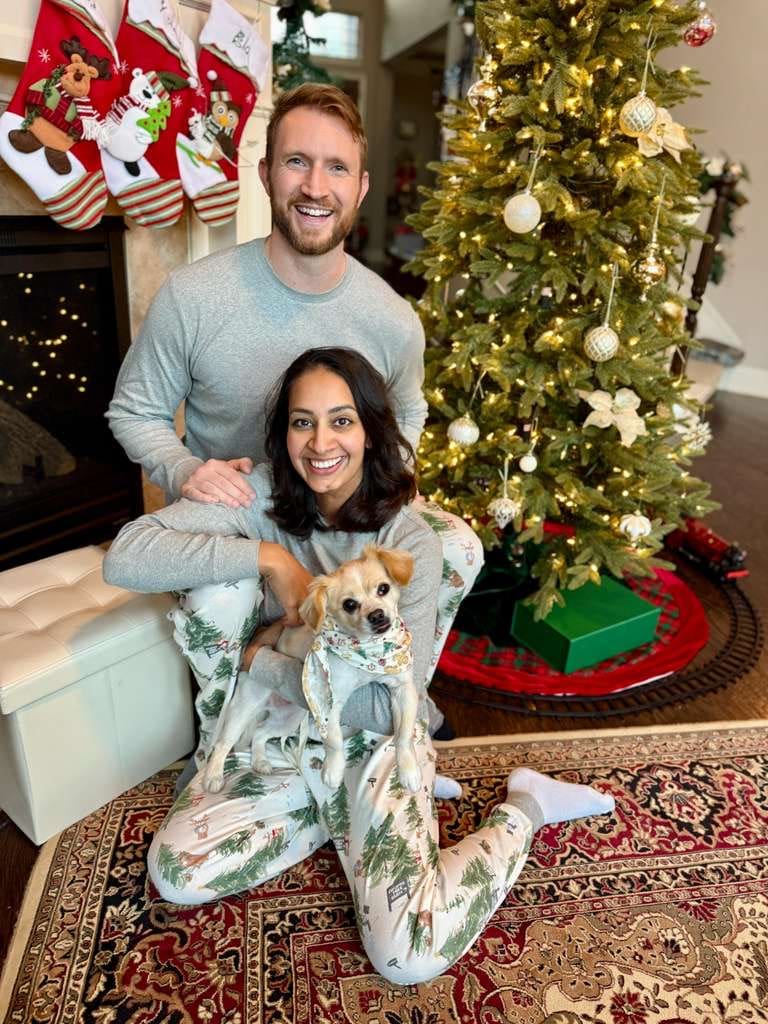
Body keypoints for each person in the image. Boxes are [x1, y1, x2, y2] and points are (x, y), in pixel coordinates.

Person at [103, 349, 616, 986]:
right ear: (283, 432)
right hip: (286, 736)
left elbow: (381, 704)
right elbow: (126, 556)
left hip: (376, 738)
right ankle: (341, 816)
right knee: (176, 874)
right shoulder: (261, 495)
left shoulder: (408, 542)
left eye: (341, 420)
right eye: (302, 422)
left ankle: (528, 805)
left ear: (370, 430)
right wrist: (269, 557)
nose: (321, 443)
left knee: (409, 957)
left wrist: (262, 663)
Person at [106, 84, 483, 744]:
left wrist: (390, 473)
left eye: (336, 167)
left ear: (361, 187)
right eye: (296, 162)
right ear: (265, 174)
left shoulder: (391, 318)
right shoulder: (194, 297)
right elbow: (134, 410)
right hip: (241, 513)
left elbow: (409, 407)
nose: (315, 186)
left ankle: (398, 699)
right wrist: (186, 470)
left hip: (343, 526)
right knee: (225, 594)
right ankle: (241, 728)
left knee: (455, 543)